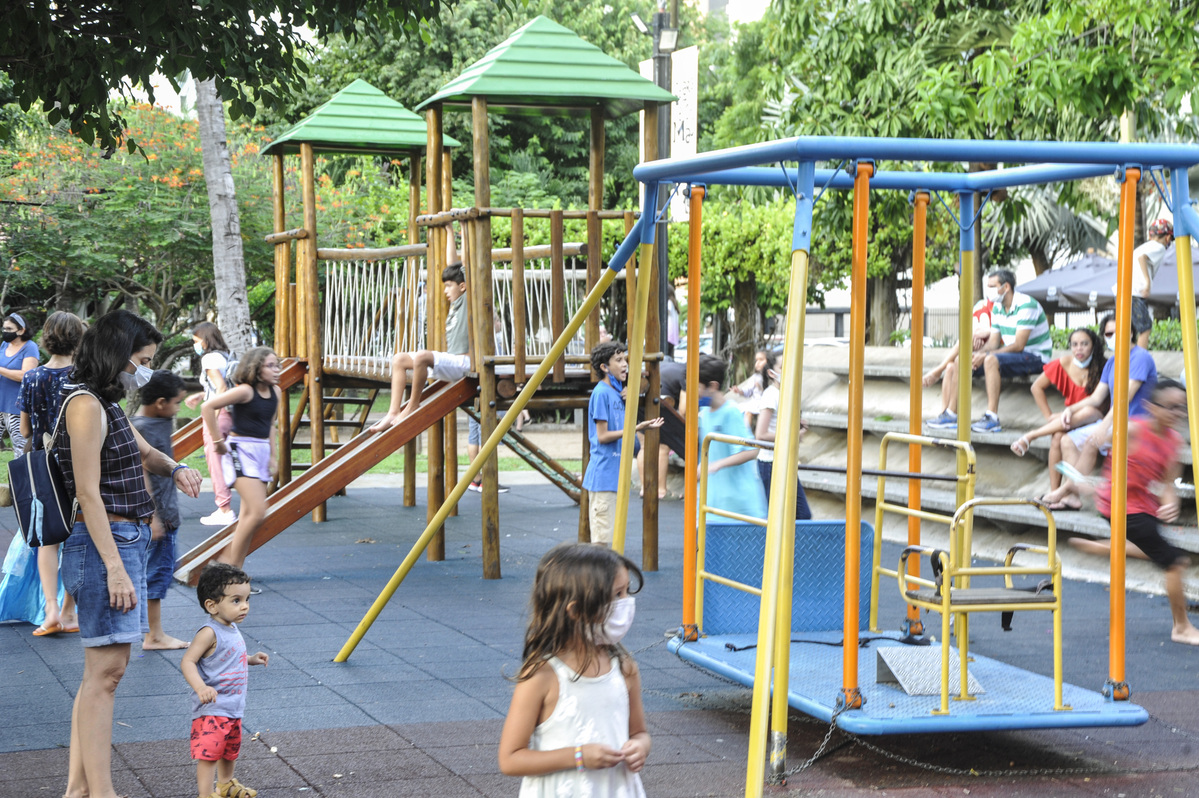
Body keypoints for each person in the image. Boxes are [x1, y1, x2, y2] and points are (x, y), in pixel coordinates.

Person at [56, 309, 203, 798]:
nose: (142, 371)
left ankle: (80, 789)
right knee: (108, 673)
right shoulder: (84, 405)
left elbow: (144, 453)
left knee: (102, 672)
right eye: (139, 360)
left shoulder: (107, 403)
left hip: (126, 541)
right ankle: (100, 792)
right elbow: (87, 492)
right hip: (106, 545)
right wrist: (116, 570)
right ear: (116, 355)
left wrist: (176, 467)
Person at [498, 543, 650, 796]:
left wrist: (640, 747)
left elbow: (639, 732)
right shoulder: (542, 676)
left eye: (626, 592)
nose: (627, 603)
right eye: (617, 595)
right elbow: (510, 758)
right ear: (577, 610)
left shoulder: (624, 668)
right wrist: (578, 757)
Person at [1068, 380, 1199, 645]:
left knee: (1156, 546)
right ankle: (1182, 627)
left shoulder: (1173, 441)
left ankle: (1111, 547)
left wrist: (1170, 500)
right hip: (1118, 505)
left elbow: (1166, 484)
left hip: (1144, 506)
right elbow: (1092, 443)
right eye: (1171, 407)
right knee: (1175, 561)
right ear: (1151, 407)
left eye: (1181, 408)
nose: (1177, 414)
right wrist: (1077, 479)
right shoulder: (1132, 430)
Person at [1039, 317, 1157, 510]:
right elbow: (1096, 397)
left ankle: (1062, 492)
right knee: (1066, 440)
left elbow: (1123, 399)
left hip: (1137, 424)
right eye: (1109, 334)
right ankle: (1073, 496)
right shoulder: (1112, 362)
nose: (1113, 337)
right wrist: (1071, 409)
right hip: (1116, 422)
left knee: (1091, 441)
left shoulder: (1140, 357)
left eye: (1118, 331)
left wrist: (1102, 427)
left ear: (1130, 332)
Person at [20, 310, 86, 635]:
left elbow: (24, 427)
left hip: (42, 465)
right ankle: (69, 611)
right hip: (77, 464)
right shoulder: (83, 376)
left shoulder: (32, 377)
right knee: (76, 536)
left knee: (48, 539)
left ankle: (50, 610)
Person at [181, 563, 269, 798]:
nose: (245, 607)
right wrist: (200, 687)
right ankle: (205, 794)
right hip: (212, 708)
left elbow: (228, 658)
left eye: (247, 599)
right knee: (209, 754)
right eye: (236, 600)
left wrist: (250, 659)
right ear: (212, 605)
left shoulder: (230, 627)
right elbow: (187, 662)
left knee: (230, 750)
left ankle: (226, 784)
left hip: (233, 706)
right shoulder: (209, 632)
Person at [370, 227, 470, 433]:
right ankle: (393, 412)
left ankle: (413, 405)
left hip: (466, 363)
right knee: (399, 359)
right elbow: (453, 264)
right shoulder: (455, 302)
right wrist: (450, 231)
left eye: (449, 286)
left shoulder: (469, 300)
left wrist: (465, 228)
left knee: (423, 356)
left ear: (463, 286)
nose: (445, 291)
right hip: (453, 361)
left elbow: (466, 265)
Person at [926, 269, 1051, 432]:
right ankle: (951, 414)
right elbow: (993, 343)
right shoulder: (999, 308)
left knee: (990, 360)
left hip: (1035, 356)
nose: (989, 291)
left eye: (992, 286)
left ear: (1006, 287)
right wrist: (975, 355)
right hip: (1013, 356)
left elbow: (1019, 345)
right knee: (961, 361)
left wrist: (985, 355)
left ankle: (992, 417)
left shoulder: (1026, 305)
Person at [201, 348, 282, 569]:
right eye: (270, 366)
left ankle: (232, 567)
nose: (276, 370)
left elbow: (271, 425)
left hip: (261, 451)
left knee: (249, 516)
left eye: (277, 365)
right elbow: (207, 407)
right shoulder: (245, 391)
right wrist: (217, 441)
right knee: (257, 512)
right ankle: (227, 567)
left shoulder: (276, 392)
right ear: (255, 368)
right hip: (240, 451)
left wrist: (273, 456)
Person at [1009, 326, 1107, 493]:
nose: (1079, 348)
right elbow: (1036, 387)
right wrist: (1048, 416)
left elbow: (1096, 402)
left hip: (1098, 419)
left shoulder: (1104, 365)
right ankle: (1055, 492)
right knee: (1057, 437)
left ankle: (1031, 435)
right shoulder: (1064, 362)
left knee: (1089, 411)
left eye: (1084, 344)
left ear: (1093, 345)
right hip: (1070, 419)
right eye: (1075, 344)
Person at [132, 370, 191, 650]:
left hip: (166, 514)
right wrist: (153, 516)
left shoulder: (160, 421)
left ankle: (152, 632)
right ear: (160, 402)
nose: (178, 408)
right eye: (177, 402)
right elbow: (140, 474)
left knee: (161, 571)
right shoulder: (143, 428)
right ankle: (153, 635)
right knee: (156, 574)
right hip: (159, 518)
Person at [582, 341, 662, 546]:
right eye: (618, 360)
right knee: (601, 543)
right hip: (604, 477)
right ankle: (599, 579)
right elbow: (602, 436)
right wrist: (635, 428)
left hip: (616, 477)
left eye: (625, 359)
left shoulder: (617, 394)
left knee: (613, 540)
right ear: (604, 367)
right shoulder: (601, 393)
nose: (625, 364)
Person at [696, 354, 768, 523]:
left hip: (739, 506)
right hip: (714, 504)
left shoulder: (730, 412)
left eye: (697, 387)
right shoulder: (705, 414)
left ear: (712, 386)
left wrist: (715, 465)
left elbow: (752, 450)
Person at [185, 322, 238, 527]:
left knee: (215, 460)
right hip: (232, 413)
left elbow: (221, 387)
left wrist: (213, 415)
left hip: (219, 414)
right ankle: (226, 504)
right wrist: (201, 395)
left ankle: (224, 508)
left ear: (205, 341)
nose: (195, 345)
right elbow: (220, 386)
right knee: (225, 459)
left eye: (196, 341)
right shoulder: (225, 355)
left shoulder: (208, 358)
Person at [922, 298, 997, 423]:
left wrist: (985, 332)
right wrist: (977, 335)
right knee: (950, 367)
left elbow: (1000, 334)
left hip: (994, 349)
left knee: (960, 357)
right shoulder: (981, 305)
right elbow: (974, 329)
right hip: (979, 345)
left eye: (993, 285)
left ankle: (938, 370)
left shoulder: (1004, 306)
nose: (991, 289)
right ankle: (945, 413)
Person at [755, 363, 812, 520]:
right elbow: (761, 434)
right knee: (788, 516)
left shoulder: (786, 394)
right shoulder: (771, 395)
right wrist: (794, 434)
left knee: (800, 515)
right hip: (771, 462)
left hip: (784, 461)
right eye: (782, 366)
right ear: (771, 373)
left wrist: (797, 429)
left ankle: (791, 545)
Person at [1117, 218, 1173, 350]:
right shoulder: (1159, 247)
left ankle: (1129, 360)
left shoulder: (1145, 245)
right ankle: (1140, 359)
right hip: (1135, 292)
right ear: (1168, 237)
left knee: (1129, 330)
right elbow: (1142, 257)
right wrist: (1147, 282)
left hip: (1124, 291)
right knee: (1145, 327)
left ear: (1150, 235)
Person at [0, 312, 41, 453]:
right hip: (1, 401)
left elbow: (26, 374)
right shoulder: (5, 345)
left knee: (20, 448)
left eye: (9, 329)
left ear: (21, 330)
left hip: (16, 406)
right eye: (4, 328)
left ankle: (21, 475)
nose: (5, 332)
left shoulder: (30, 347)